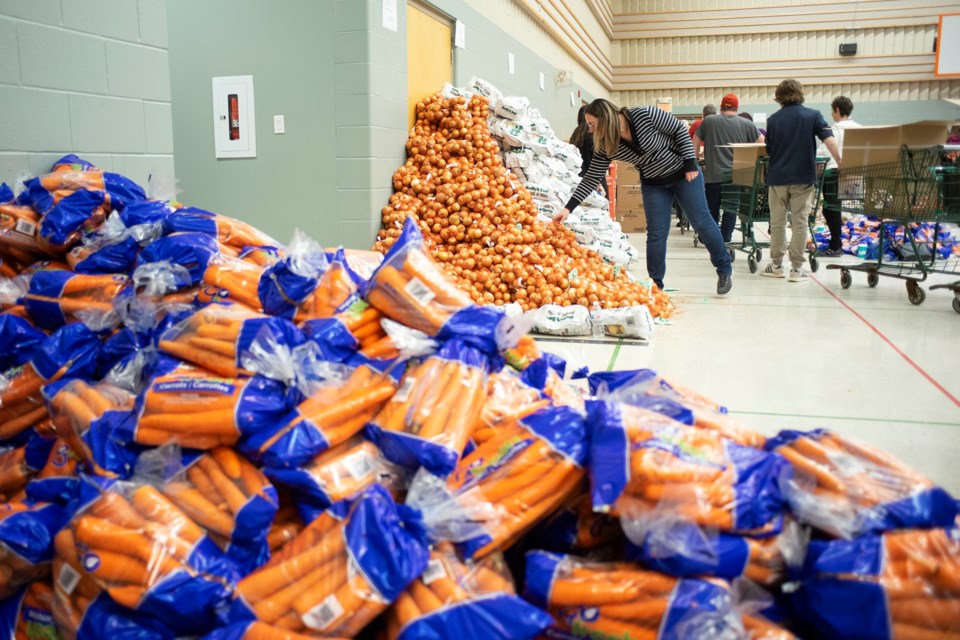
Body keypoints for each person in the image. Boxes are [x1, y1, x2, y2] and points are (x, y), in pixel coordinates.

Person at [554, 99, 733, 295]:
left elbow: (679, 131)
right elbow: (591, 178)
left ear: (605, 118)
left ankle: (724, 269)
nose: (590, 130)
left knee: (701, 221)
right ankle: (655, 286)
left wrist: (690, 162)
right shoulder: (606, 145)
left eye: (592, 124)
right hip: (654, 184)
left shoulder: (644, 115)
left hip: (683, 174)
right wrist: (568, 208)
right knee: (656, 232)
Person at [761, 79, 840, 282]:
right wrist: (841, 161)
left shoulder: (773, 120)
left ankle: (776, 265)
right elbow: (829, 140)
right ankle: (796, 269)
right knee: (799, 222)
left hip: (778, 177)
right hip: (803, 177)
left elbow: (769, 149)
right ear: (800, 93)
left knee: (777, 222)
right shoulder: (813, 115)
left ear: (779, 96)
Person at [693, 93, 763, 243]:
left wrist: (695, 159)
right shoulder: (747, 124)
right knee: (730, 209)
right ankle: (725, 239)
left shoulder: (709, 121)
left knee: (712, 209)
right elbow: (762, 144)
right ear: (737, 108)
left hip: (713, 175)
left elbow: (695, 140)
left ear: (721, 107)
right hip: (736, 176)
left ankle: (711, 239)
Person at [815, 96, 861, 258]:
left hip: (834, 172)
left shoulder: (833, 130)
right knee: (850, 210)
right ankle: (844, 241)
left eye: (832, 110)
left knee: (831, 209)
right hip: (855, 173)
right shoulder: (859, 128)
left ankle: (836, 245)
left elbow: (822, 152)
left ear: (837, 110)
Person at [570, 105, 608, 199]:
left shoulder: (575, 134)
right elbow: (594, 161)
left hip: (577, 178)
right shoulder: (593, 135)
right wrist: (598, 183)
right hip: (594, 179)